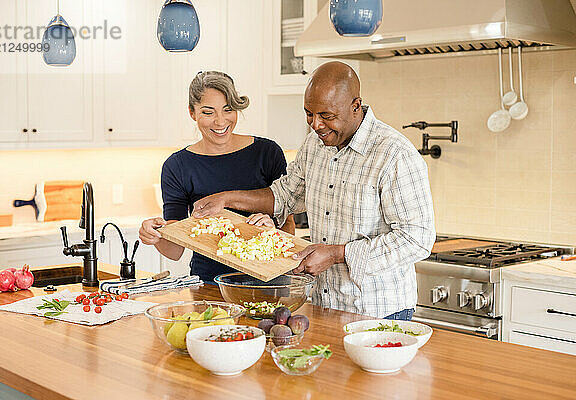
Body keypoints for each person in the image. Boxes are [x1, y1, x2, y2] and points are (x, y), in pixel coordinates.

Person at [192, 62, 436, 320]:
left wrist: (336, 254)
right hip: (323, 304)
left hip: (378, 311)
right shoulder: (315, 143)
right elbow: (286, 195)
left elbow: (416, 240)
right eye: (309, 114)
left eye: (326, 116)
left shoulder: (394, 154)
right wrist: (226, 198)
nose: (316, 125)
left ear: (355, 105)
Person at [139, 71, 295, 283]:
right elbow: (175, 250)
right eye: (208, 112)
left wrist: (274, 231)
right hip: (210, 283)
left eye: (228, 109)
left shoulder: (267, 153)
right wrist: (153, 235)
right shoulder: (177, 166)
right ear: (192, 113)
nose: (220, 121)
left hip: (269, 282)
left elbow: (289, 230)